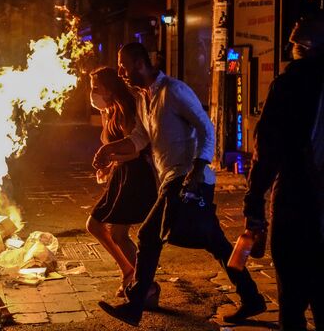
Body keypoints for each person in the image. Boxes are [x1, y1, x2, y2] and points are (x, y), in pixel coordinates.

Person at [95, 43, 265, 326]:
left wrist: (199, 166)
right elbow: (140, 138)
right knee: (217, 244)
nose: (121, 72)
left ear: (139, 63)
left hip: (186, 177)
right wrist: (107, 150)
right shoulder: (142, 99)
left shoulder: (174, 91)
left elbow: (205, 126)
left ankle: (135, 304)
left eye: (124, 66)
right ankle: (252, 298)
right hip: (172, 179)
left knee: (148, 236)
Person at [244, 16, 324, 330]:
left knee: (292, 302)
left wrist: (254, 201)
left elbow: (267, 149)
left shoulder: (290, 83)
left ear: (302, 46)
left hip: (298, 201)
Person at [86, 67, 158, 298]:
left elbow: (136, 150)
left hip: (135, 176)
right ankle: (131, 274)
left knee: (115, 233)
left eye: (96, 87)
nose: (93, 92)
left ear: (110, 87)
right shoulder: (112, 110)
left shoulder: (128, 107)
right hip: (122, 174)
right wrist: (109, 164)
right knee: (97, 226)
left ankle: (143, 283)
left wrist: (111, 155)